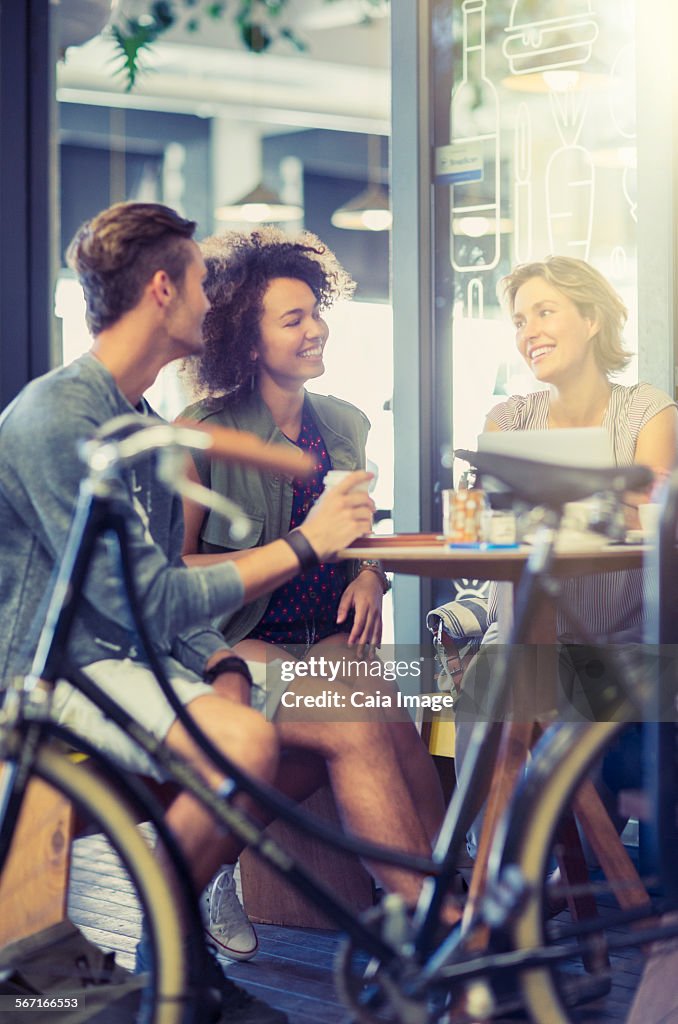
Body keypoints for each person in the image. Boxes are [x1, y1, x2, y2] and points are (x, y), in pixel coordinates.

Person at [0, 202, 439, 1024]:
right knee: (258, 734)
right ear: (163, 289)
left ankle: (432, 924)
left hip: (150, 663)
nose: (213, 301)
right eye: (203, 284)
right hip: (50, 673)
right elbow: (145, 598)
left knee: (372, 702)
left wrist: (222, 663)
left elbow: (158, 593)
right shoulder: (60, 418)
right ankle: (176, 941)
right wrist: (302, 552)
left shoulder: (143, 424)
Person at [178, 227, 447, 954]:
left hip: (324, 635)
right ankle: (432, 923)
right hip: (235, 641)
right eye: (291, 319)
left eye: (315, 312)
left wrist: (368, 572)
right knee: (354, 724)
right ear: (246, 337)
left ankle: (446, 886)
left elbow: (357, 532)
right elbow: (176, 576)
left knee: (393, 710)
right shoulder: (200, 434)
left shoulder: (346, 425)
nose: (315, 329)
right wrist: (291, 551)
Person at [455, 255, 678, 858]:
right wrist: (606, 498)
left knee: (578, 702)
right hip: (533, 636)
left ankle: (553, 870)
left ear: (592, 320)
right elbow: (492, 525)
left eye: (544, 312)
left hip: (626, 641)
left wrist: (552, 507)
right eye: (521, 320)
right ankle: (492, 874)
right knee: (490, 683)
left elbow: (651, 521)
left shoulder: (648, 411)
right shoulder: (507, 419)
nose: (529, 332)